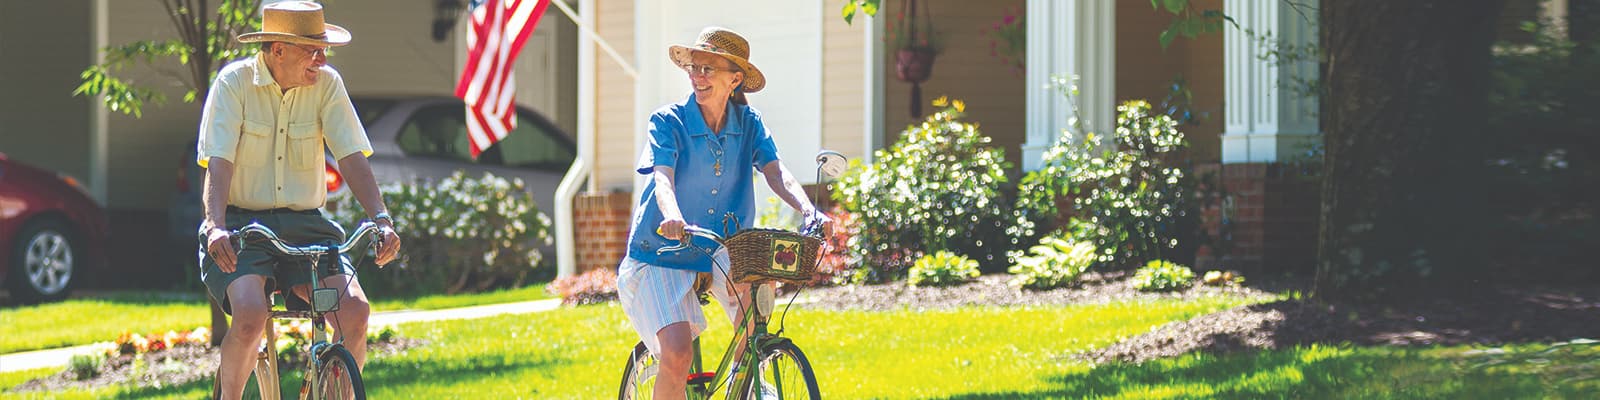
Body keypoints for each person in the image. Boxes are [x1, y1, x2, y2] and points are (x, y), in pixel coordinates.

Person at [195, 2, 400, 399]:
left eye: (324, 49)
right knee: (252, 315)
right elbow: (218, 164)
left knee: (355, 313)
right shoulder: (233, 84)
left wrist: (381, 217)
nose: (321, 59)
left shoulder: (327, 84)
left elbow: (351, 155)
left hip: (308, 224)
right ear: (278, 50)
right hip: (241, 224)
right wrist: (215, 225)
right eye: (313, 49)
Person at [617, 26, 833, 399]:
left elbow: (775, 171)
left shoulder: (749, 124)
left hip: (721, 247)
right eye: (695, 68)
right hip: (661, 252)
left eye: (708, 70)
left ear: (735, 79)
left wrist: (809, 210)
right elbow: (662, 178)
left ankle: (741, 383)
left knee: (758, 308)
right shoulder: (668, 121)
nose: (698, 77)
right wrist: (673, 216)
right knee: (678, 353)